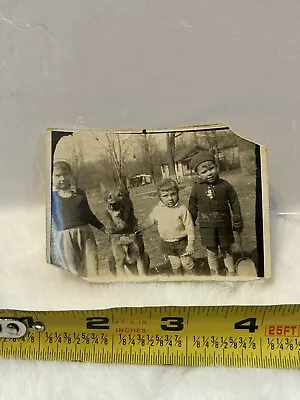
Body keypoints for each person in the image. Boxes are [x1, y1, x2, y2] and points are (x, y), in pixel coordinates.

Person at [188, 151, 243, 276]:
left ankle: (231, 271)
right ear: (198, 174)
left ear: (216, 167)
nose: (209, 173)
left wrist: (237, 217)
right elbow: (192, 206)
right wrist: (189, 222)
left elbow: (234, 201)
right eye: (204, 172)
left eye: (211, 168)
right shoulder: (196, 189)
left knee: (227, 249)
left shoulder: (225, 185)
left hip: (224, 225)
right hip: (207, 227)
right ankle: (215, 272)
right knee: (211, 251)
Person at [51, 160, 105, 278]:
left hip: (85, 235)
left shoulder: (79, 193)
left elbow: (88, 214)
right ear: (51, 177)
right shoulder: (51, 198)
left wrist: (103, 227)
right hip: (65, 237)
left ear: (71, 175)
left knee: (92, 266)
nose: (62, 178)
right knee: (74, 271)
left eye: (66, 174)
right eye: (58, 175)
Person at [139, 178, 195, 275]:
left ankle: (193, 281)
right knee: (175, 265)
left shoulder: (182, 209)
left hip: (182, 243)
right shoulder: (158, 209)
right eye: (165, 196)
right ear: (160, 197)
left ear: (177, 193)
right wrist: (141, 228)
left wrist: (190, 244)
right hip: (167, 244)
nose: (170, 198)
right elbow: (150, 220)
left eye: (173, 194)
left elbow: (190, 228)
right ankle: (180, 282)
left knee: (187, 264)